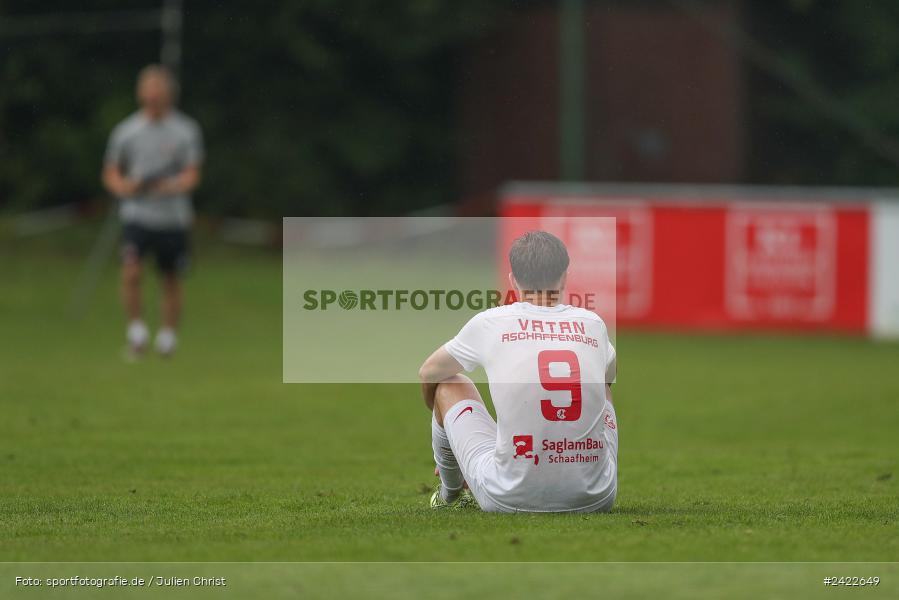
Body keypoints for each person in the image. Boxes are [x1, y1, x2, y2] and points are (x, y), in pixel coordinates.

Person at [419, 230, 618, 512]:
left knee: (448, 383)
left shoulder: (490, 322)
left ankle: (450, 494)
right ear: (564, 277)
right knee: (603, 386)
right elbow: (609, 378)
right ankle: (580, 469)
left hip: (507, 496)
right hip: (596, 498)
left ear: (513, 280)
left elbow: (428, 372)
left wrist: (444, 424)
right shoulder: (593, 323)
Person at [102, 65, 204, 357]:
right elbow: (111, 172)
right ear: (140, 93)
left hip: (173, 218)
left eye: (159, 90)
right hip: (138, 216)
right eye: (149, 90)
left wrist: (172, 186)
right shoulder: (126, 132)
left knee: (171, 277)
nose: (154, 96)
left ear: (170, 95)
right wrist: (123, 187)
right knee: (131, 272)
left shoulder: (186, 130)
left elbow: (192, 173)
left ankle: (168, 338)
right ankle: (136, 332)